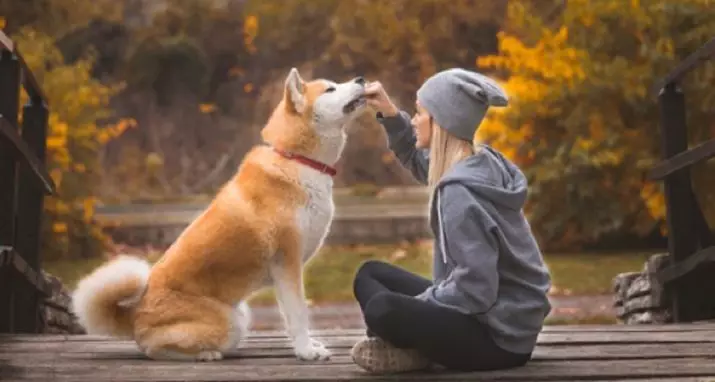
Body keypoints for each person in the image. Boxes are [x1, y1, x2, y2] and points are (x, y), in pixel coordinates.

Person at [350, 68, 552, 374]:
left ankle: (415, 351)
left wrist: (417, 308)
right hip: (499, 319)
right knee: (370, 273)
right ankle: (415, 347)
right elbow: (420, 163)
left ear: (442, 122)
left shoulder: (459, 194)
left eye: (420, 113)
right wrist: (391, 114)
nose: (415, 119)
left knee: (383, 308)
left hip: (498, 339)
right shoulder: (478, 161)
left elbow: (475, 291)